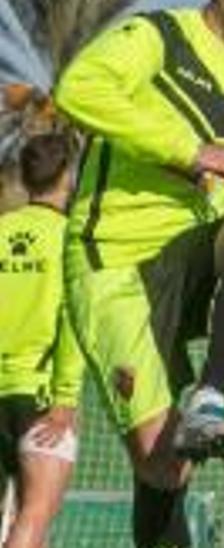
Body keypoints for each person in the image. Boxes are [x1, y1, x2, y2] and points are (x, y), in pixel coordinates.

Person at [54, 1, 224, 544]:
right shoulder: (161, 34)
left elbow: (221, 202)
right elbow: (78, 86)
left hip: (184, 263)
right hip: (116, 264)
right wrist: (189, 150)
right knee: (164, 465)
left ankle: (209, 393)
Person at [0, 135, 86, 548]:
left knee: (27, 527)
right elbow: (74, 319)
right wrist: (65, 398)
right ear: (68, 177)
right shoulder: (71, 239)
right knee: (34, 516)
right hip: (39, 396)